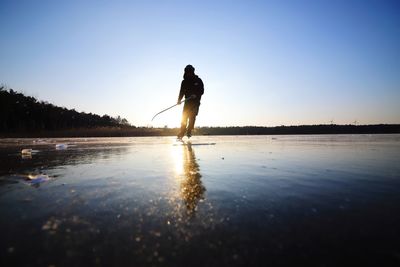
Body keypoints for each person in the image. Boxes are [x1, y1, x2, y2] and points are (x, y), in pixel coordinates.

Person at [177, 65, 204, 139]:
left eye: (190, 72)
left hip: (195, 102)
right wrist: (179, 100)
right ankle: (182, 132)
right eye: (187, 72)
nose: (188, 73)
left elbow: (201, 91)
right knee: (184, 117)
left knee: (192, 117)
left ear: (192, 72)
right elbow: (181, 91)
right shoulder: (184, 82)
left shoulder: (198, 80)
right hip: (187, 102)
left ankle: (189, 131)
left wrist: (196, 95)